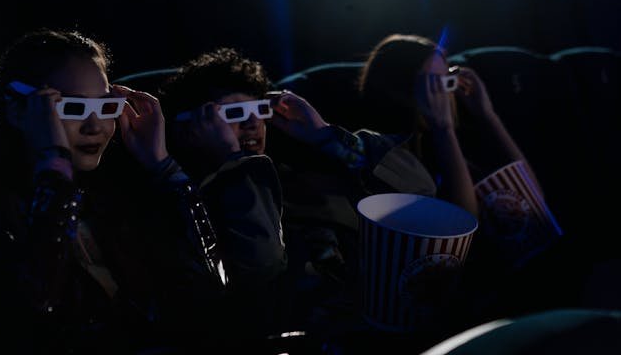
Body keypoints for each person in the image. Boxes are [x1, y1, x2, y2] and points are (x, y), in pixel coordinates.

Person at [0, 28, 229, 354]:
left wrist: (163, 167)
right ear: (19, 111)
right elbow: (33, 314)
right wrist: (54, 166)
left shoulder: (118, 197)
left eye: (105, 107)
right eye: (73, 108)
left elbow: (212, 293)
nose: (95, 126)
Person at [157, 47, 437, 342]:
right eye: (234, 113)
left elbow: (421, 192)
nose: (253, 124)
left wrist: (324, 136)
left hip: (379, 322)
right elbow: (261, 267)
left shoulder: (300, 174)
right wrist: (232, 162)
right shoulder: (191, 210)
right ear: (187, 128)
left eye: (259, 111)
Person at [356, 33, 570, 326]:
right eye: (434, 83)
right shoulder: (388, 157)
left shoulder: (452, 142)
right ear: (401, 89)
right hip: (463, 305)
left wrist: (488, 116)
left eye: (448, 79)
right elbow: (464, 227)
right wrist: (444, 130)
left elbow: (533, 205)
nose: (445, 93)